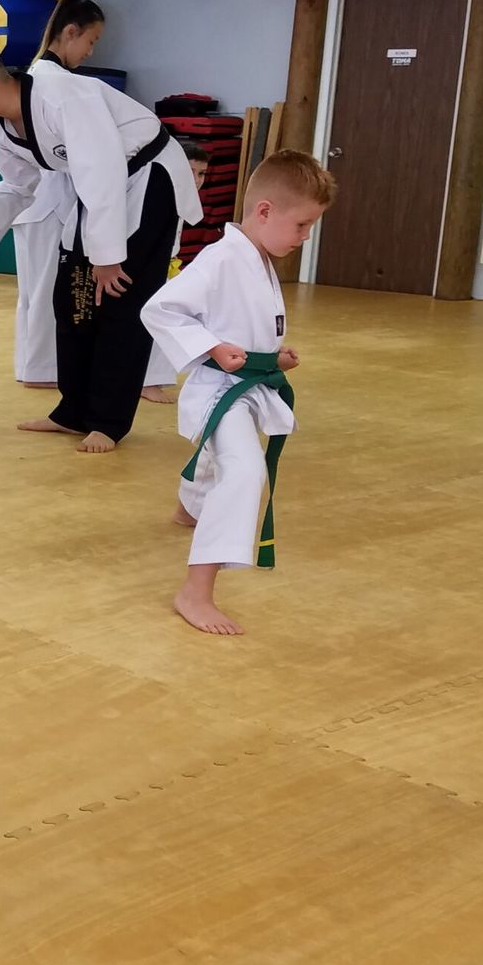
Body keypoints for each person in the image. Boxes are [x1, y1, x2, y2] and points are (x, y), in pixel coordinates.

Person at [0, 34, 201, 453]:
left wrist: (108, 257)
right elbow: (18, 184)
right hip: (98, 195)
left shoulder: (60, 97)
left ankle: (109, 422)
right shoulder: (4, 130)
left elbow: (103, 172)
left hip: (149, 182)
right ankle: (73, 411)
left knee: (122, 303)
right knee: (71, 299)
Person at [141, 150, 335, 636]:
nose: (305, 237)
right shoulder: (222, 258)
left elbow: (249, 326)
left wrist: (273, 354)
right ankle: (196, 590)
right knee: (245, 471)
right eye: (302, 225)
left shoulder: (258, 257)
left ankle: (189, 506)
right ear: (265, 210)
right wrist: (212, 347)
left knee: (221, 457)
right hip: (218, 389)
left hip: (247, 383)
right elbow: (160, 309)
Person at [0, 0, 106, 391]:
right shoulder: (38, 93)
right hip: (43, 205)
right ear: (69, 33)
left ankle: (50, 367)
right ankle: (40, 370)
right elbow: (17, 181)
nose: (90, 52)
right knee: (41, 293)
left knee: (57, 293)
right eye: (90, 41)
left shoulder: (49, 86)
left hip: (64, 203)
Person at [138, 142, 213, 406]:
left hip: (167, 264)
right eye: (191, 171)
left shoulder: (181, 196)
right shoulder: (159, 194)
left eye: (202, 173)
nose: (197, 179)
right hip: (149, 265)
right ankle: (147, 380)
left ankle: (151, 378)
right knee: (163, 320)